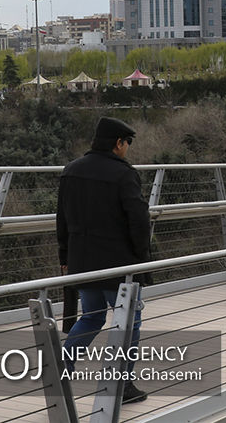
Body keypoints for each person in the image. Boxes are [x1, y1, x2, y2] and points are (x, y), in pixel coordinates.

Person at [57, 117, 150, 404]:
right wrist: (140, 257)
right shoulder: (124, 174)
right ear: (118, 143)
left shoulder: (71, 171)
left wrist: (65, 257)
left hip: (82, 263)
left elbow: (61, 219)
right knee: (128, 322)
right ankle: (122, 386)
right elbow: (138, 220)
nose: (127, 149)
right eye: (127, 143)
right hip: (118, 264)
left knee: (92, 316)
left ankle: (60, 369)